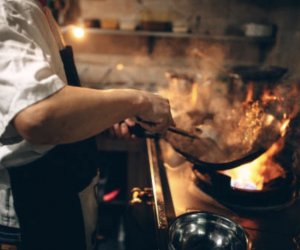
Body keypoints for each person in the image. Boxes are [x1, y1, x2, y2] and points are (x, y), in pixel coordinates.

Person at [0, 0, 174, 250]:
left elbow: (53, 100)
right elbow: (38, 115)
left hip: (60, 194)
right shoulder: (9, 7)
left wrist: (103, 116)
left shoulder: (39, 10)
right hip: (30, 208)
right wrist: (137, 101)